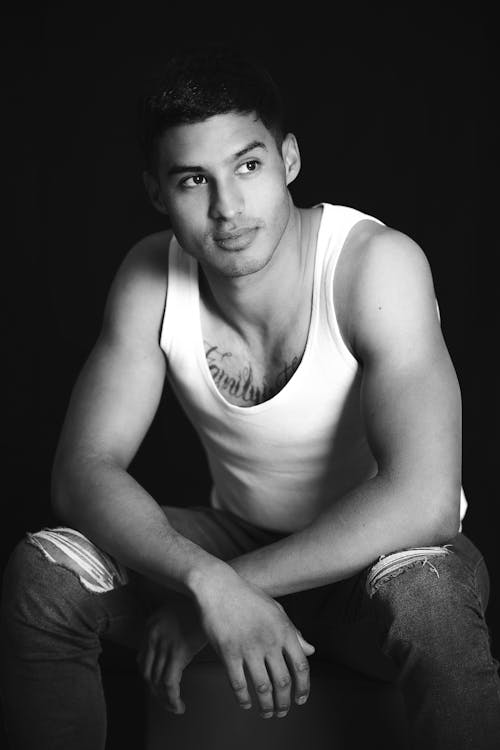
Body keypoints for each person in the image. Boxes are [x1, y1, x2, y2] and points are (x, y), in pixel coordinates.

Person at [1, 45, 499, 750]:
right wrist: (206, 581)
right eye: (192, 180)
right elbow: (82, 471)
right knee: (44, 574)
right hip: (234, 538)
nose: (227, 207)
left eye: (248, 165)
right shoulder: (149, 278)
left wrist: (225, 591)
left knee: (431, 600)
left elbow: (424, 499)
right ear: (155, 192)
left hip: (376, 565)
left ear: (289, 159)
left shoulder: (373, 265)